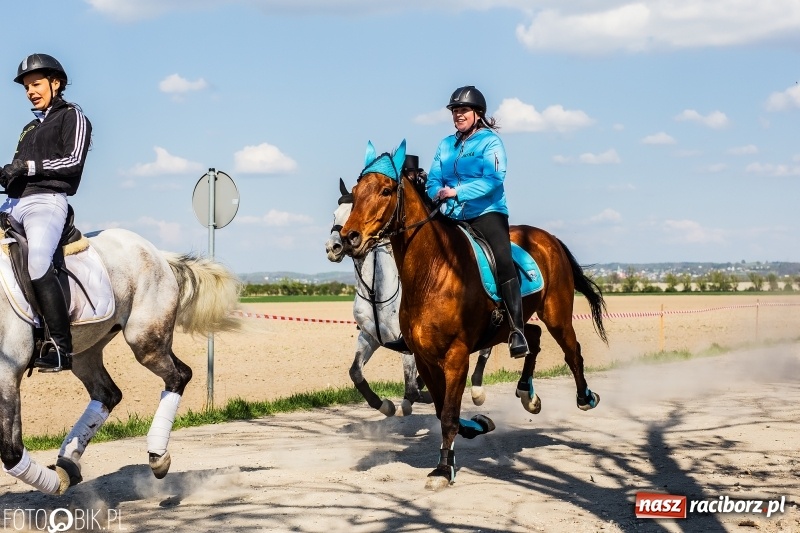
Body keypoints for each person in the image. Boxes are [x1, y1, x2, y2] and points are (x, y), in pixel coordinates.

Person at [0, 53, 93, 371]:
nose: (30, 91)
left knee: (39, 261)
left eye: (36, 84)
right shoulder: (28, 128)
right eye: (26, 87)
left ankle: (59, 346)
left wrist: (26, 166)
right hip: (15, 204)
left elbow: (72, 162)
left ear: (56, 83)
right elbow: (15, 174)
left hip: (48, 201)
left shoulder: (73, 116)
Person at [426, 85, 529, 358]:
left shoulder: (490, 142)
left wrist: (457, 192)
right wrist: (436, 192)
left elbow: (494, 179)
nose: (458, 115)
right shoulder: (445, 144)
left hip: (487, 212)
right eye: (455, 111)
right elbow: (435, 176)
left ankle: (517, 329)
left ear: (478, 113)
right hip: (451, 214)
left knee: (503, 259)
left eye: (463, 110)